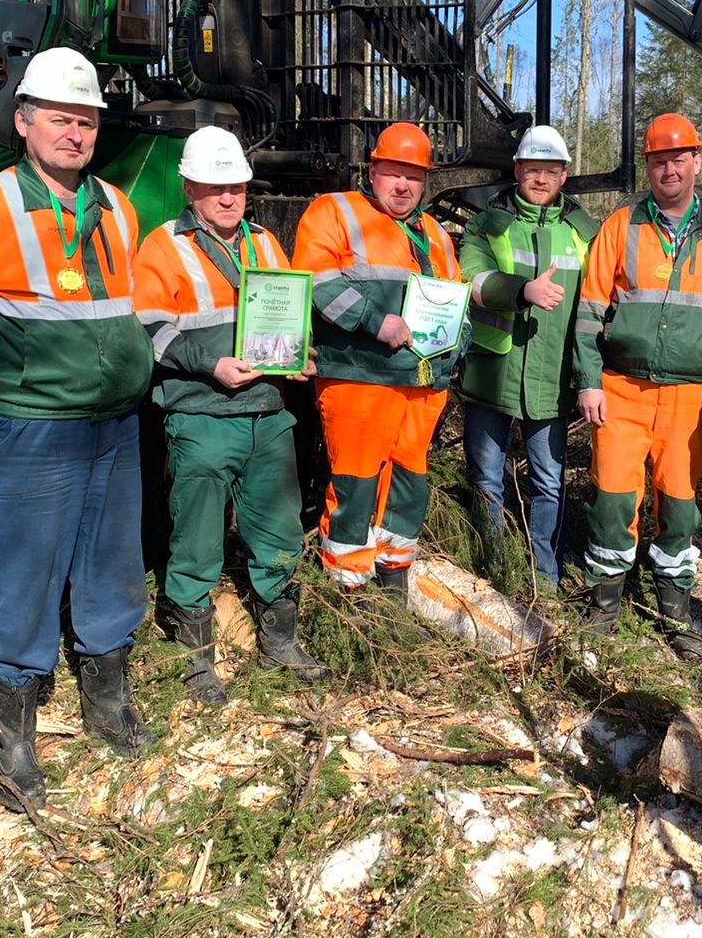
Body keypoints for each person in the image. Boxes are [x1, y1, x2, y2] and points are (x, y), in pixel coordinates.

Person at [0, 47, 154, 812]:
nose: (75, 133)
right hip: (32, 429)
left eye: (85, 121)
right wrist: (12, 386)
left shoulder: (116, 206)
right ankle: (13, 728)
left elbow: (130, 309)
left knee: (112, 560)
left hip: (112, 424)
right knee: (26, 573)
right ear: (24, 123)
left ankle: (106, 696)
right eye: (60, 118)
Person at [133, 126, 327, 701]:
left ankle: (279, 643)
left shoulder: (265, 241)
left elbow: (290, 311)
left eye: (237, 186)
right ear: (189, 186)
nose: (228, 197)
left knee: (278, 530)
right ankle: (197, 661)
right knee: (196, 540)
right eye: (215, 187)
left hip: (267, 410)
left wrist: (297, 354)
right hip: (202, 412)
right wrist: (208, 363)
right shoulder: (163, 245)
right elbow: (148, 330)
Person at [574, 113, 702, 657]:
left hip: (687, 397)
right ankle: (605, 607)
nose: (668, 168)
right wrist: (588, 382)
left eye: (678, 158)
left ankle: (674, 608)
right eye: (657, 160)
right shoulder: (621, 227)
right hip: (620, 388)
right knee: (611, 498)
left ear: (697, 162)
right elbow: (588, 310)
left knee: (679, 501)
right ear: (647, 166)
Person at [291, 123, 466, 591]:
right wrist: (376, 320)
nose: (403, 186)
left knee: (409, 482)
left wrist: (460, 336)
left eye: (414, 177)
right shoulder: (334, 211)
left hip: (421, 383)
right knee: (355, 482)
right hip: (359, 378)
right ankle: (350, 592)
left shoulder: (434, 233)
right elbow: (318, 283)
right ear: (373, 171)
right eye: (394, 174)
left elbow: (454, 294)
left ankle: (394, 579)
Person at [458, 125, 598, 589]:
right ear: (517, 170)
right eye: (532, 169)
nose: (541, 179)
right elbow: (471, 281)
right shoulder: (486, 225)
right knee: (487, 478)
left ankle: (545, 579)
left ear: (564, 175)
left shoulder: (584, 233)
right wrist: (523, 290)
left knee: (548, 482)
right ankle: (495, 573)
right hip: (492, 374)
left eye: (551, 171)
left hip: (551, 377)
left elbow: (601, 301)